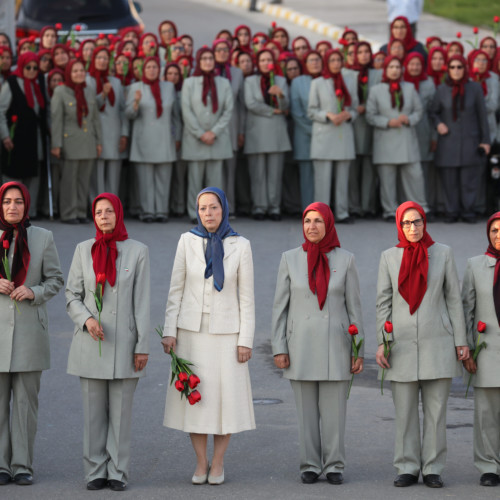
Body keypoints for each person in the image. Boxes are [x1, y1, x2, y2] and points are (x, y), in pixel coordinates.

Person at [162, 187, 255, 485]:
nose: (208, 214)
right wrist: (169, 330)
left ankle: (218, 462)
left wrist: (245, 340)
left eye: (214, 208)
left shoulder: (240, 245)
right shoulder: (187, 241)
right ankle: (201, 462)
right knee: (196, 399)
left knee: (224, 400)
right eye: (203, 208)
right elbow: (175, 288)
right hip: (191, 333)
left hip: (227, 334)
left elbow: (247, 298)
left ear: (223, 209)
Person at [375, 201, 468, 488]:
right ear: (399, 226)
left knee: (437, 411)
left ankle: (432, 468)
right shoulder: (390, 256)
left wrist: (461, 341)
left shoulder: (442, 253)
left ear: (424, 223)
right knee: (404, 413)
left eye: (417, 222)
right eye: (406, 223)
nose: (412, 228)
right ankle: (406, 466)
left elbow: (454, 299)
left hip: (437, 343)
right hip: (400, 346)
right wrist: (383, 341)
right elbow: (383, 303)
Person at [271, 201, 364, 485]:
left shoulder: (345, 259)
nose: (311, 227)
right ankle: (310, 464)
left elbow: (355, 308)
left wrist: (357, 348)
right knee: (306, 412)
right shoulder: (290, 258)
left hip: (335, 345)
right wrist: (278, 346)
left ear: (328, 225)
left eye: (318, 221)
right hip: (299, 345)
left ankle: (334, 464)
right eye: (307, 221)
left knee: (335, 412)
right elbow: (280, 307)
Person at [66, 193, 150, 491]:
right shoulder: (82, 250)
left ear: (119, 214)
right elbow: (71, 294)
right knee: (93, 417)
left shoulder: (137, 251)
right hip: (91, 343)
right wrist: (87, 319)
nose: (104, 216)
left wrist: (142, 346)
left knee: (121, 415)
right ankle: (95, 472)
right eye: (99, 212)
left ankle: (118, 472)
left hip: (125, 345)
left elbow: (141, 303)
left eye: (109, 211)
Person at [0, 181, 63, 486]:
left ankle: (22, 464)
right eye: (7, 202)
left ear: (27, 205)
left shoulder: (42, 237)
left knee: (26, 405)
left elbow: (55, 279)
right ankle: (0, 464)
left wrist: (34, 291)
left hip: (29, 333)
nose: (13, 207)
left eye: (19, 202)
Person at [462, 212, 500, 487]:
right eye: (494, 230)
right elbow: (467, 310)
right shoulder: (476, 265)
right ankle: (489, 466)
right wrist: (467, 348)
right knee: (486, 412)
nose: (498, 235)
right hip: (487, 351)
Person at [366, 55, 428, 221]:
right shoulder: (376, 90)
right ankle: (390, 211)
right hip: (385, 139)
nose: (394, 70)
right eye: (391, 67)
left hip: (407, 138)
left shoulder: (409, 88)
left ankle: (421, 209)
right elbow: (370, 115)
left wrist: (410, 119)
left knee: (415, 175)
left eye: (397, 67)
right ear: (385, 70)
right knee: (387, 178)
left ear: (402, 69)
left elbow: (418, 111)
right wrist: (387, 122)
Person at [429, 54, 490, 223]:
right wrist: (438, 124)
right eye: (452, 67)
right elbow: (433, 112)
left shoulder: (475, 88)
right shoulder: (441, 90)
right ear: (448, 70)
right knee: (450, 181)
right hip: (448, 141)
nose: (456, 70)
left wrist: (485, 140)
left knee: (469, 180)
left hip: (471, 141)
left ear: (465, 69)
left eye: (459, 67)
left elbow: (482, 116)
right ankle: (451, 211)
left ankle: (468, 211)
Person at [181, 48, 234, 222]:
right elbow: (186, 110)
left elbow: (228, 110)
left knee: (216, 181)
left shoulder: (223, 83)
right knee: (195, 180)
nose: (208, 61)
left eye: (210, 58)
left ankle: (216, 214)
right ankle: (194, 213)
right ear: (198, 60)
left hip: (217, 139)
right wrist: (200, 133)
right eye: (203, 58)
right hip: (196, 139)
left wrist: (214, 132)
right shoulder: (189, 83)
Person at [126, 56, 181, 222]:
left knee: (163, 177)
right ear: (144, 70)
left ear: (159, 70)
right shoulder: (136, 87)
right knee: (145, 179)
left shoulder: (168, 87)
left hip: (164, 138)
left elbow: (175, 116)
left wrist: (177, 136)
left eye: (155, 67)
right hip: (144, 138)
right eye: (148, 67)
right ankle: (147, 210)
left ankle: (161, 211)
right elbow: (129, 114)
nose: (152, 70)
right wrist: (135, 102)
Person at [308, 49, 358, 223]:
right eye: (332, 60)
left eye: (339, 60)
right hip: (325, 135)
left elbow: (355, 107)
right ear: (327, 63)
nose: (336, 63)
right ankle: (322, 215)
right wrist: (328, 115)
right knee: (323, 179)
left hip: (343, 134)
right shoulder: (318, 83)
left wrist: (348, 114)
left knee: (343, 178)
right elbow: (311, 110)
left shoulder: (349, 81)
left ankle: (342, 213)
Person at [51, 60, 102, 224]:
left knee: (83, 180)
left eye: (81, 70)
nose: (79, 73)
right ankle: (68, 213)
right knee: (69, 180)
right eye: (75, 71)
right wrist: (56, 144)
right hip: (70, 142)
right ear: (69, 73)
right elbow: (56, 120)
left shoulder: (89, 90)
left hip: (88, 141)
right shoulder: (61, 91)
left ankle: (80, 211)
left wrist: (98, 141)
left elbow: (95, 119)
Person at [244, 49, 291, 220]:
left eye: (268, 59)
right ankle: (259, 206)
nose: (265, 62)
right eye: (262, 59)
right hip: (256, 131)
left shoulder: (281, 80)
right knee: (258, 173)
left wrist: (280, 94)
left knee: (275, 173)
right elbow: (251, 103)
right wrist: (273, 111)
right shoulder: (250, 80)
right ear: (258, 62)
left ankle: (274, 207)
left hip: (277, 132)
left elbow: (286, 105)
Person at [0, 52, 48, 218]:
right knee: (14, 176)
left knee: (32, 175)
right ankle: (11, 213)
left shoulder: (38, 83)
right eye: (28, 67)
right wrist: (5, 136)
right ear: (21, 66)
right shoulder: (12, 83)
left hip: (33, 138)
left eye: (35, 67)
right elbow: (1, 111)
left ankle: (29, 212)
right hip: (15, 138)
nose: (32, 70)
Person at [87, 46, 129, 197]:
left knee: (113, 176)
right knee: (96, 176)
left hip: (114, 133)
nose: (102, 61)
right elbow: (90, 107)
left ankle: (112, 208)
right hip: (95, 134)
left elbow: (122, 110)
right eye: (99, 57)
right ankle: (96, 207)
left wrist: (124, 134)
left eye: (105, 58)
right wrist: (103, 95)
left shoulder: (116, 82)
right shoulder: (87, 80)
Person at [348, 41, 382, 219]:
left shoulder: (377, 74)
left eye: (366, 51)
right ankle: (354, 206)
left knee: (369, 167)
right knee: (353, 169)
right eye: (359, 52)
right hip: (353, 125)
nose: (363, 55)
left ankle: (367, 206)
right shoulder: (348, 73)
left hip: (371, 125)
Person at [213, 38, 245, 216]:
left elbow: (242, 105)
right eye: (219, 49)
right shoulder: (209, 72)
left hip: (231, 128)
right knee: (215, 172)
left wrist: (241, 130)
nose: (222, 53)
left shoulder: (237, 73)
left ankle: (229, 208)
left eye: (225, 49)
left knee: (230, 172)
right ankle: (215, 209)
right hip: (213, 128)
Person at [290, 50, 323, 210]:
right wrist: (314, 130)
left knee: (323, 175)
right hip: (305, 135)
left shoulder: (328, 81)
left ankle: (324, 210)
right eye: (311, 60)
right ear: (305, 63)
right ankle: (309, 210)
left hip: (325, 136)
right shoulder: (298, 82)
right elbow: (296, 112)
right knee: (307, 176)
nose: (315, 63)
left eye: (317, 59)